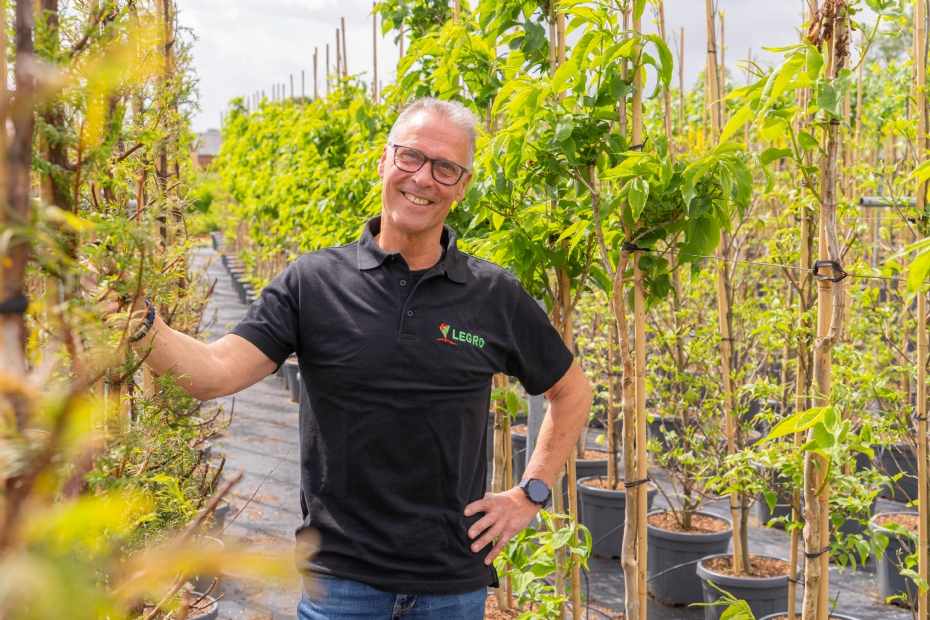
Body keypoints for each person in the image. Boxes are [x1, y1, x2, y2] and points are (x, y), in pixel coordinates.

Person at [118, 97, 592, 619]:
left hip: (452, 587)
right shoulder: (313, 283)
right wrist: (136, 321)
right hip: (340, 587)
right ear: (384, 162)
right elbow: (213, 373)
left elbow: (571, 392)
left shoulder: (494, 296)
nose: (423, 178)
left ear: (461, 185)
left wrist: (531, 493)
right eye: (410, 157)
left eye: (445, 167)